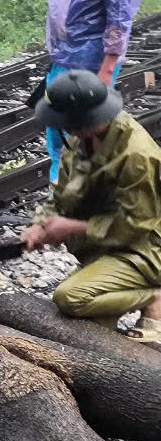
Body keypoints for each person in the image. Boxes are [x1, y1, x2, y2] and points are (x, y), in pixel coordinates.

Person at [23, 69, 161, 342]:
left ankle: (153, 296)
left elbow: (135, 226)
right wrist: (40, 225)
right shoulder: (79, 140)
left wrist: (71, 226)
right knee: (91, 330)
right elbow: (60, 194)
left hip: (145, 249)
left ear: (83, 120)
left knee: (69, 298)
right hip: (106, 247)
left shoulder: (136, 154)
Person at [44, 0, 143, 184]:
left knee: (86, 140)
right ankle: (59, 194)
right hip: (63, 57)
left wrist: (106, 70)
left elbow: (118, 19)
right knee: (57, 134)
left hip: (91, 63)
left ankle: (87, 201)